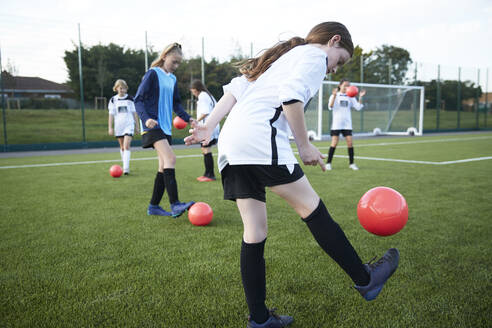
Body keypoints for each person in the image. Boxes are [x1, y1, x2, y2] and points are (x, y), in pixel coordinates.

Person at [185, 22, 399, 328]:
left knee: (255, 232)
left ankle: (259, 319)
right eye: (339, 60)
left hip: (232, 146)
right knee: (312, 208)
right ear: (333, 41)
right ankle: (366, 279)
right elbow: (290, 97)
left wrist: (210, 126)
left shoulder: (284, 59)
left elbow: (236, 89)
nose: (334, 69)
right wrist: (304, 144)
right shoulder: (313, 56)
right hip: (259, 139)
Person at [134, 43, 195, 218]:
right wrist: (146, 119)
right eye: (174, 62)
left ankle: (153, 206)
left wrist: (188, 118)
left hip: (165, 128)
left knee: (163, 166)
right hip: (153, 125)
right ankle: (175, 204)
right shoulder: (153, 74)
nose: (176, 66)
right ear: (165, 56)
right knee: (171, 158)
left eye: (178, 64)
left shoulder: (172, 79)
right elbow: (138, 100)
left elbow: (176, 104)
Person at [325, 79, 366, 171]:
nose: (347, 87)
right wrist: (335, 95)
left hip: (347, 124)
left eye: (348, 85)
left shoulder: (350, 96)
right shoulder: (334, 95)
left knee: (350, 143)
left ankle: (352, 163)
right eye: (345, 85)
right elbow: (330, 106)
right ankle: (328, 163)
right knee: (334, 143)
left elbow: (358, 107)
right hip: (336, 124)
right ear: (340, 85)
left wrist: (360, 97)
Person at [189, 79, 220, 182]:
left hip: (208, 127)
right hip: (212, 126)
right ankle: (207, 173)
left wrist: (195, 121)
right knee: (205, 149)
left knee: (206, 149)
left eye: (192, 91)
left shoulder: (203, 96)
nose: (193, 93)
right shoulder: (208, 95)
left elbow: (205, 112)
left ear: (196, 89)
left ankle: (210, 175)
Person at [108, 79, 139, 175]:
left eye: (124, 88)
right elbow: (111, 115)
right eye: (120, 88)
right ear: (116, 88)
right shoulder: (113, 100)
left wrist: (137, 126)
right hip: (119, 126)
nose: (122, 90)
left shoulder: (130, 99)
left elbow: (134, 113)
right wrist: (110, 127)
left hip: (129, 125)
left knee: (126, 146)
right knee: (122, 147)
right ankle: (124, 164)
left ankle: (126, 168)